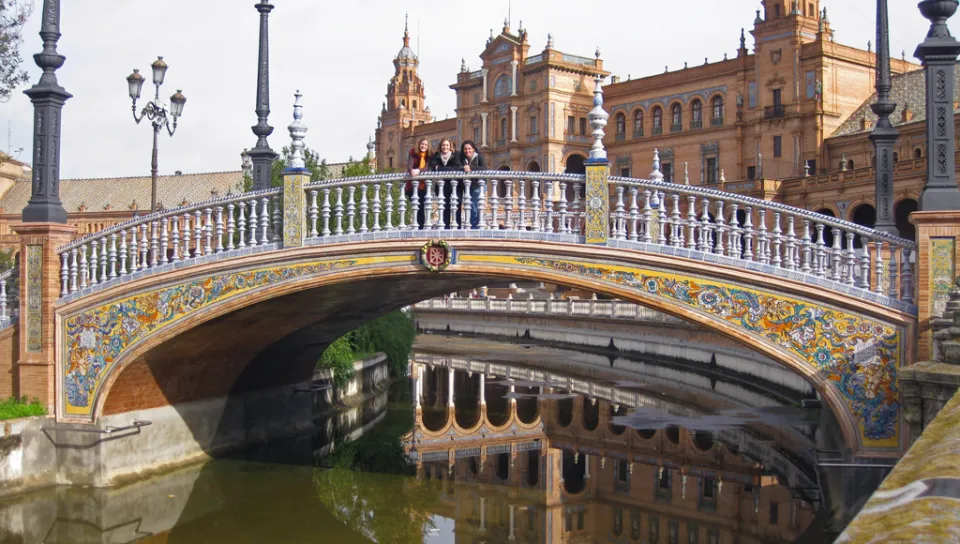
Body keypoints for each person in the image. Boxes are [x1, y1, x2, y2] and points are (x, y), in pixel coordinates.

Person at [430, 138, 462, 228]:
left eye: (447, 145)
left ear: (450, 146)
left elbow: (456, 168)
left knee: (457, 206)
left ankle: (458, 228)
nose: (445, 147)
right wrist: (449, 169)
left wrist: (439, 168)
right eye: (443, 145)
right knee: (444, 207)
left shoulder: (456, 154)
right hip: (441, 187)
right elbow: (433, 167)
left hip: (455, 186)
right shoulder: (436, 155)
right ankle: (445, 227)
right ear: (440, 146)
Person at [460, 140, 485, 229]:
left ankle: (475, 228)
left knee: (475, 207)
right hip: (468, 187)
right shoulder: (463, 159)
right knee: (469, 207)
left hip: (478, 186)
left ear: (473, 149)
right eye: (465, 149)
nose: (467, 151)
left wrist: (471, 167)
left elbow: (484, 169)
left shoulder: (479, 157)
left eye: (469, 148)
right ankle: (473, 226)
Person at [406, 137, 431, 229]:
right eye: (422, 144)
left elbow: (428, 167)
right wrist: (412, 170)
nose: (423, 146)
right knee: (415, 207)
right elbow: (409, 165)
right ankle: (416, 227)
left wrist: (419, 171)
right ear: (419, 144)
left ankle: (421, 228)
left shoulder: (429, 155)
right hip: (411, 186)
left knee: (422, 207)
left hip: (423, 186)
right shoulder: (413, 152)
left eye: (426, 145)